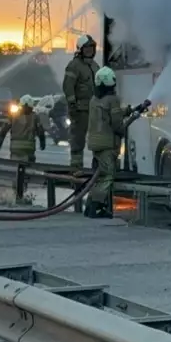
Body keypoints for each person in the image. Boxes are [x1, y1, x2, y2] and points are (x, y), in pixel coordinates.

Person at [84, 67, 145, 219]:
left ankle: (90, 206)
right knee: (107, 177)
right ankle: (96, 208)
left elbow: (108, 114)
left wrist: (130, 110)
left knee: (98, 176)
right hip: (107, 145)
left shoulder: (94, 99)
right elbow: (118, 126)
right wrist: (134, 117)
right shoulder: (113, 99)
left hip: (95, 143)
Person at [62, 34, 100, 171]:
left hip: (95, 110)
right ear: (80, 49)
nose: (90, 50)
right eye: (87, 47)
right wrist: (72, 104)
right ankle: (76, 170)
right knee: (78, 141)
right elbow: (67, 86)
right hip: (80, 110)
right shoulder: (74, 65)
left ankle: (98, 169)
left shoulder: (95, 66)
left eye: (92, 47)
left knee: (98, 140)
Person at [0, 94, 45, 163]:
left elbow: (4, 129)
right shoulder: (35, 117)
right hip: (29, 148)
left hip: (15, 147)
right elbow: (40, 131)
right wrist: (42, 143)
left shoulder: (13, 116)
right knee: (29, 167)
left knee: (14, 166)